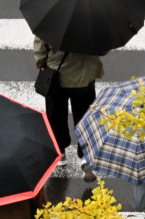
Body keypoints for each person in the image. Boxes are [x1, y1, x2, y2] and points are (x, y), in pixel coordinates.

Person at [33, 36, 103, 182]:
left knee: (56, 116)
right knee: (85, 118)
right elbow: (102, 48)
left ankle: (60, 153)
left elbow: (40, 47)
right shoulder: (93, 22)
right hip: (84, 76)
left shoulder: (53, 18)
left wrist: (41, 62)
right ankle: (85, 156)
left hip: (56, 76)